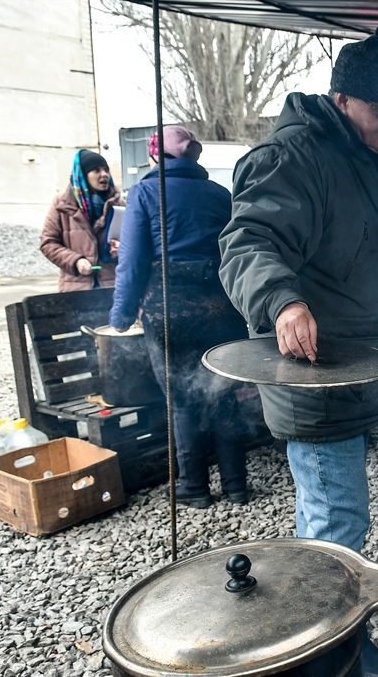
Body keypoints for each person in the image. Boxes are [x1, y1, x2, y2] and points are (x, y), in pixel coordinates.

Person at [218, 22, 378, 677]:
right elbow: (247, 240)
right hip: (316, 373)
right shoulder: (296, 156)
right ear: (341, 100)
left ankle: (322, 644)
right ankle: (335, 660)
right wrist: (283, 299)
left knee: (323, 522)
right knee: (337, 524)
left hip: (358, 369)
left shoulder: (376, 153)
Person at [109, 126, 250, 508]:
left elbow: (132, 261)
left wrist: (121, 316)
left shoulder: (145, 193)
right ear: (194, 157)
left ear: (156, 156)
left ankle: (194, 488)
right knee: (222, 394)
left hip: (172, 310)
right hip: (221, 308)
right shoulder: (220, 194)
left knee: (183, 398)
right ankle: (237, 485)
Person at [40, 149, 120, 291]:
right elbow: (48, 243)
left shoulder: (119, 204)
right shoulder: (62, 204)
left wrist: (121, 248)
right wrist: (75, 261)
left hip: (112, 287)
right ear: (83, 175)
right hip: (76, 289)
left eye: (106, 170)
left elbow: (135, 241)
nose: (104, 175)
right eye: (96, 170)